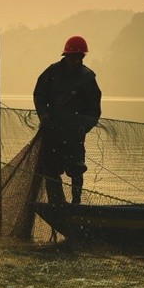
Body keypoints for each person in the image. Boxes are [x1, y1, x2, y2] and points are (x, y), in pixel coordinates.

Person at [33, 36, 101, 205]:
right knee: (50, 168)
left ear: (82, 57)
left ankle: (76, 202)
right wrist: (43, 114)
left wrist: (83, 127)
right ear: (65, 56)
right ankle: (56, 202)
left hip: (74, 133)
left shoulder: (87, 78)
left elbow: (94, 110)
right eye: (71, 57)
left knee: (77, 168)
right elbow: (39, 94)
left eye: (77, 57)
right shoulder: (52, 72)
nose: (74, 60)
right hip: (52, 130)